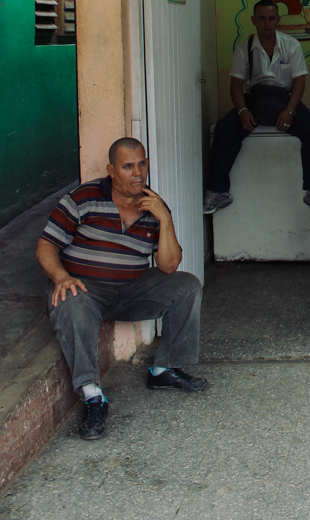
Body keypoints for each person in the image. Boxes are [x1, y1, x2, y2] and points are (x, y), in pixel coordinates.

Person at [36, 137, 208, 441]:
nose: (138, 173)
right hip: (85, 289)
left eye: (142, 164)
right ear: (111, 171)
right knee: (68, 300)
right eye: (128, 166)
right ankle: (92, 396)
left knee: (187, 286)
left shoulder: (153, 206)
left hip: (133, 288)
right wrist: (61, 277)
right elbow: (46, 245)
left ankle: (165, 370)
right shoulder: (83, 198)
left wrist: (165, 219)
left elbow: (169, 266)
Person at [204, 0, 310, 214]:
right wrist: (242, 111)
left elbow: (299, 82)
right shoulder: (244, 48)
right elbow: (235, 85)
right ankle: (217, 192)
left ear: (278, 20)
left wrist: (290, 111)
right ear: (254, 20)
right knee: (225, 129)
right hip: (255, 100)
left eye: (271, 18)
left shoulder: (291, 45)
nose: (267, 23)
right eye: (262, 18)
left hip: (285, 99)